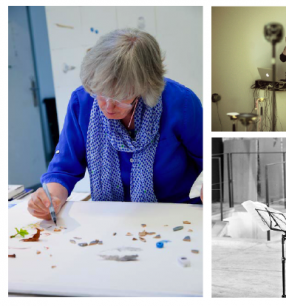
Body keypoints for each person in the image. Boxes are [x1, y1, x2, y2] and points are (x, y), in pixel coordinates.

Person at [27, 28, 203, 220]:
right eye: (100, 94)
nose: (108, 107)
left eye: (121, 97)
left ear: (145, 86)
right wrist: (50, 197)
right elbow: (64, 168)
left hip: (177, 213)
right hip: (109, 216)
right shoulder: (82, 101)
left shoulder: (181, 103)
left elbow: (209, 161)